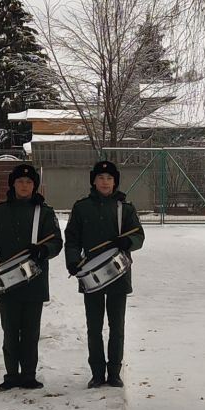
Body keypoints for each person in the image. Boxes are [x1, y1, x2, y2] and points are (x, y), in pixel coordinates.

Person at [0, 162, 63, 391]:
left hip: (34, 281)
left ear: (34, 186)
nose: (24, 185)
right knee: (10, 330)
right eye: (20, 182)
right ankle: (12, 374)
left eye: (29, 182)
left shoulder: (44, 213)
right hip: (8, 283)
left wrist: (44, 250)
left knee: (31, 331)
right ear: (13, 184)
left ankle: (28, 375)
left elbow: (56, 241)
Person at [65, 159, 146, 388]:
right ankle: (97, 373)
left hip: (119, 276)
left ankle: (115, 373)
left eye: (109, 178)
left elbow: (139, 236)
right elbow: (71, 239)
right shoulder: (81, 207)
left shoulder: (125, 208)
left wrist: (128, 241)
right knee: (94, 327)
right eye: (101, 178)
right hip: (91, 276)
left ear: (115, 181)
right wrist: (73, 261)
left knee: (116, 326)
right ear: (93, 180)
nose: (105, 182)